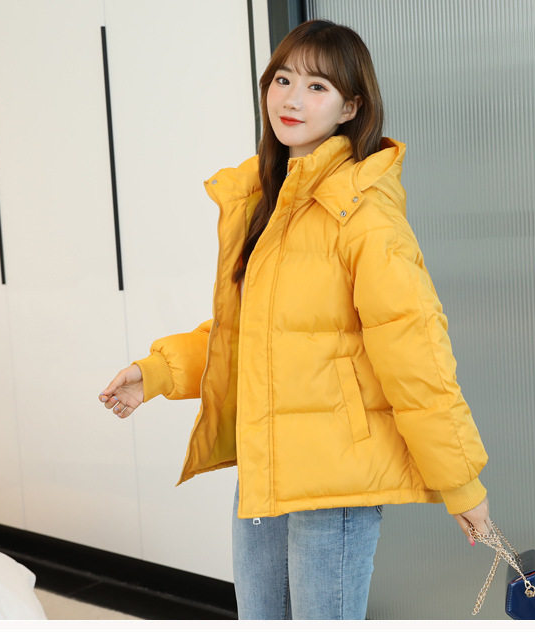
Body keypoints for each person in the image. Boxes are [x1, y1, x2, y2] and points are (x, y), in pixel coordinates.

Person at [98, 19, 491, 620]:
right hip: (265, 466)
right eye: (283, 80)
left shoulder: (364, 216)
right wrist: (155, 373)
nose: (292, 99)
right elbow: (252, 336)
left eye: (317, 87)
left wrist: (460, 482)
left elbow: (417, 356)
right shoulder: (264, 200)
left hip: (334, 482)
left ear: (350, 108)